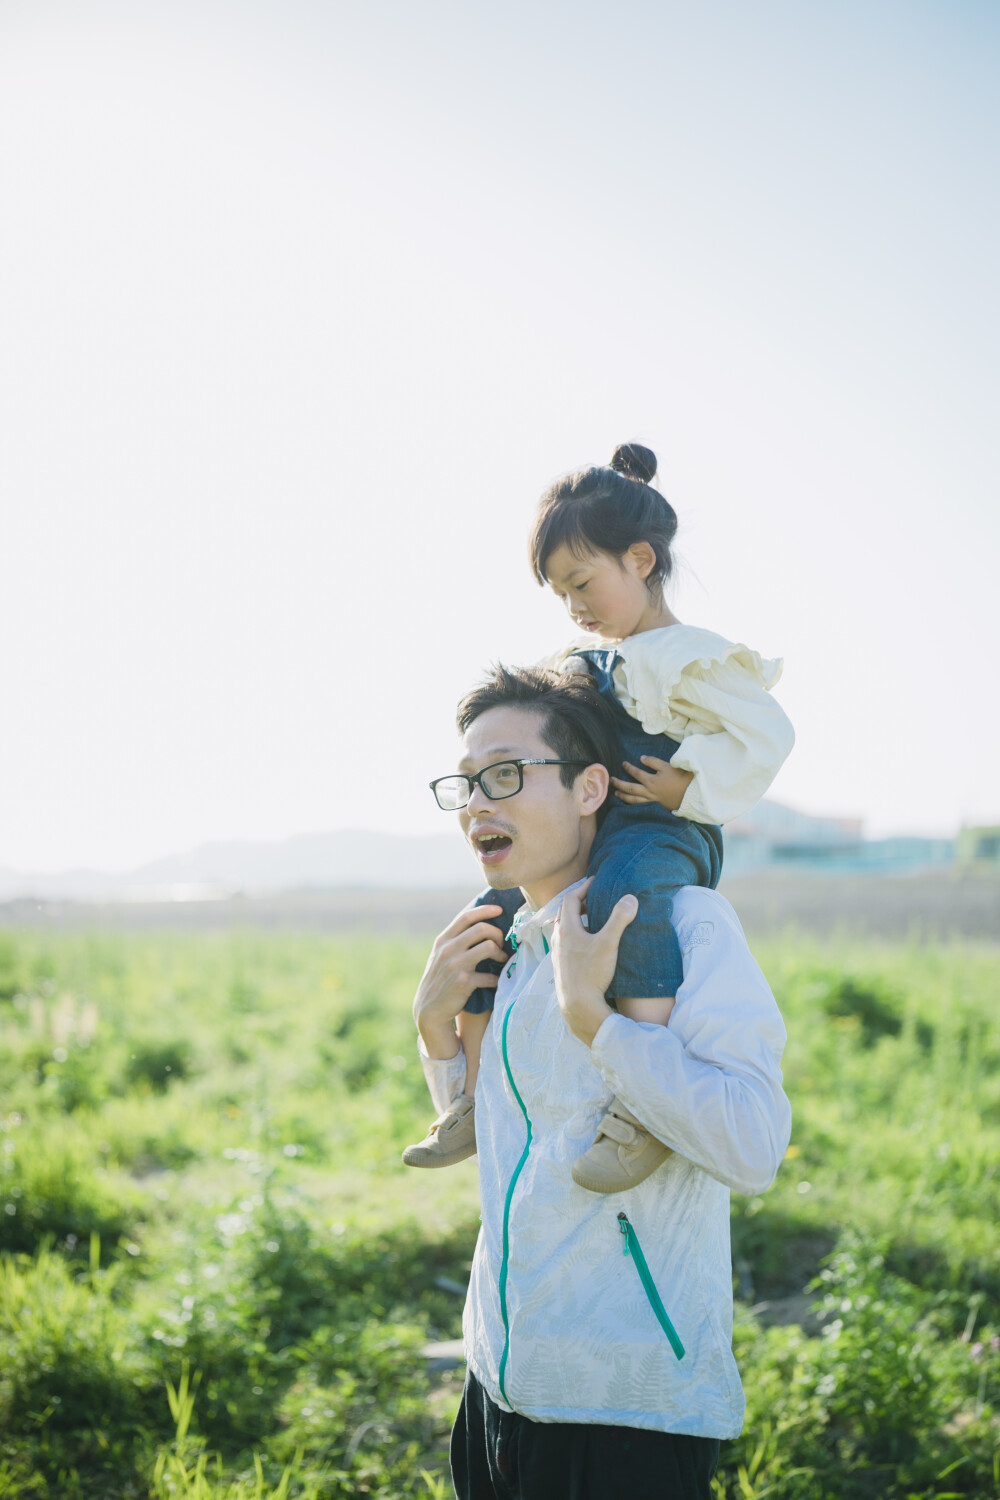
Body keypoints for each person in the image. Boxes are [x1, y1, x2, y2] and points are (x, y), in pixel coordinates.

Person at [413, 664, 791, 1500]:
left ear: (592, 788)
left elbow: (754, 1147)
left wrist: (600, 1022)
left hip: (628, 1416)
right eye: (467, 784)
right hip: (497, 1387)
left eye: (506, 775)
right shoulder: (512, 946)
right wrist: (436, 1028)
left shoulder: (686, 924)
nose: (479, 802)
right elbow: (510, 1139)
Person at [404, 442, 793, 1192]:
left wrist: (686, 786)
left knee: (627, 897)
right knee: (491, 913)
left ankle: (642, 1105)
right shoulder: (587, 660)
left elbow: (766, 736)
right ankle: (471, 1095)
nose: (574, 606)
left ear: (641, 560)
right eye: (560, 593)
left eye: (582, 582)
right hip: (605, 826)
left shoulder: (694, 658)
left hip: (661, 830)